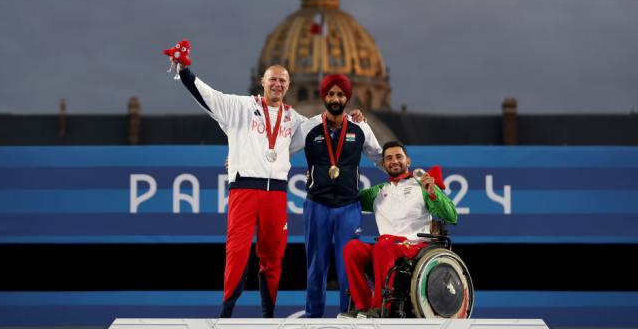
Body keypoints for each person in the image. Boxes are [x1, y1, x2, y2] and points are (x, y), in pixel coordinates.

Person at [177, 60, 306, 318]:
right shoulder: (241, 107)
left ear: (288, 86)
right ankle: (226, 313)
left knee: (274, 255)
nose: (277, 84)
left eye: (282, 80)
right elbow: (208, 96)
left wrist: (353, 118)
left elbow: (326, 127)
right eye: (273, 79)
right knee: (236, 251)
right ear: (263, 82)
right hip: (244, 189)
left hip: (277, 194)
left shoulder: (295, 120)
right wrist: (184, 71)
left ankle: (268, 315)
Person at [290, 74, 382, 317]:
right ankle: (313, 319)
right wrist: (244, 161)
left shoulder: (360, 127)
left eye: (340, 94)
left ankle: (347, 317)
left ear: (346, 98)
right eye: (330, 94)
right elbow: (281, 151)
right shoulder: (309, 127)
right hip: (317, 205)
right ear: (324, 97)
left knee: (347, 268)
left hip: (349, 208)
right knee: (315, 268)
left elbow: (380, 157)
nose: (335, 98)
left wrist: (406, 173)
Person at [339, 140, 458, 319]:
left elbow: (452, 216)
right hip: (386, 248)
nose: (394, 161)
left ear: (408, 161)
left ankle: (381, 307)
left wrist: (433, 192)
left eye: (398, 157)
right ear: (383, 164)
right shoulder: (378, 192)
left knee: (383, 244)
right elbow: (347, 196)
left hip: (414, 248)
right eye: (389, 158)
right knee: (352, 249)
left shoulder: (423, 185)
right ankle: (363, 306)